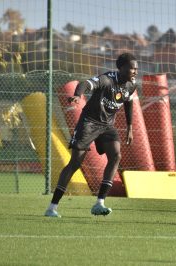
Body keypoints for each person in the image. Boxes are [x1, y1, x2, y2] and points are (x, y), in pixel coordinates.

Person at [44, 53, 138, 217]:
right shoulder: (107, 79)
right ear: (121, 68)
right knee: (75, 164)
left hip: (107, 126)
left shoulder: (131, 85)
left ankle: (99, 203)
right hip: (89, 123)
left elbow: (129, 102)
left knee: (116, 156)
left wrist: (130, 127)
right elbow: (85, 84)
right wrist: (77, 95)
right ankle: (52, 207)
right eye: (132, 68)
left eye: (137, 68)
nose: (135, 71)